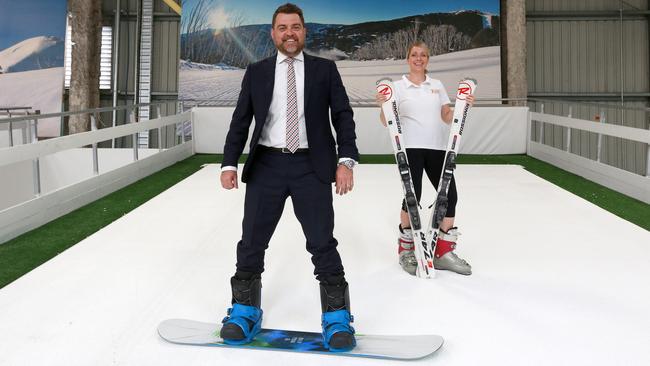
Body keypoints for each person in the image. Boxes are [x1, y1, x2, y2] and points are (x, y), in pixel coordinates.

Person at [219, 3, 359, 352]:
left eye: (295, 27)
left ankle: (337, 318)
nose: (289, 33)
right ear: (273, 33)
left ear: (304, 31)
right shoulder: (257, 71)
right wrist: (228, 163)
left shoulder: (324, 70)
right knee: (252, 240)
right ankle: (244, 312)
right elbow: (241, 120)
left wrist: (346, 160)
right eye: (282, 27)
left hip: (312, 166)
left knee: (322, 241)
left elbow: (343, 116)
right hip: (267, 164)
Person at [375, 41, 475, 276]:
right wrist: (383, 106)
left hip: (438, 148)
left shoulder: (437, 85)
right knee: (413, 196)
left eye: (423, 55)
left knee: (450, 196)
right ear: (407, 58)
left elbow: (446, 116)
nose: (418, 58)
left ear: (428, 59)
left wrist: (462, 106)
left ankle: (442, 252)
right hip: (409, 148)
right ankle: (407, 249)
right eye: (414, 55)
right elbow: (386, 120)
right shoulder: (397, 87)